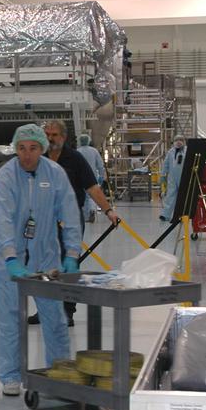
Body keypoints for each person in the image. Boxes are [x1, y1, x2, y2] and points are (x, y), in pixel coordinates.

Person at [0, 124, 81, 397]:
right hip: (10, 262)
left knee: (54, 317)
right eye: (21, 148)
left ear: (42, 148)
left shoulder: (55, 174)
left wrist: (73, 254)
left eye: (32, 148)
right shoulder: (6, 176)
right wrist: (10, 256)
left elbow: (70, 213)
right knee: (9, 320)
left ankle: (60, 369)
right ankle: (10, 375)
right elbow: (1, 219)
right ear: (15, 148)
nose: (26, 154)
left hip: (47, 257)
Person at [39, 119, 119, 325]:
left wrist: (108, 210)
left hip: (70, 221)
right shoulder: (39, 158)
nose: (49, 138)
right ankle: (45, 309)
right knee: (45, 265)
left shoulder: (75, 159)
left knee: (69, 266)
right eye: (47, 133)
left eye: (54, 134)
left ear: (63, 137)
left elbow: (92, 187)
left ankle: (67, 311)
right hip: (44, 220)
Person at [76, 133, 108, 222]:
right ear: (88, 141)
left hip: (80, 178)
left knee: (84, 197)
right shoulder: (94, 151)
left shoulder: (77, 151)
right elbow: (100, 165)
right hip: (92, 177)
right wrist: (101, 176)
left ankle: (86, 216)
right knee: (92, 196)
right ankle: (92, 210)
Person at [160, 136, 187, 220]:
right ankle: (166, 215)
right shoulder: (170, 152)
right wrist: (163, 175)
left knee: (183, 197)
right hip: (172, 178)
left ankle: (182, 215)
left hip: (184, 177)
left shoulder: (187, 151)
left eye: (181, 140)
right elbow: (166, 164)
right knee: (170, 196)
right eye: (176, 140)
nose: (178, 142)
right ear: (173, 142)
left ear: (184, 141)